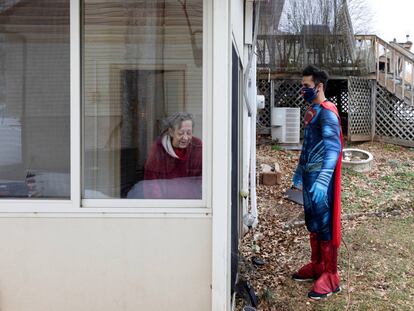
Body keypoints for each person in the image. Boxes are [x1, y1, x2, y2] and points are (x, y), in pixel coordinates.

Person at [292, 65, 343, 300]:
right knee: (312, 222)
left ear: (319, 86)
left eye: (307, 86)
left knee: (324, 224)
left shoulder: (327, 111)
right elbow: (309, 146)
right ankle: (317, 265)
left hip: (322, 179)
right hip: (310, 177)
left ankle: (330, 276)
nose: (303, 90)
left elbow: (334, 150)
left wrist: (323, 180)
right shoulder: (313, 110)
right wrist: (299, 173)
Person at [143, 112, 202, 199]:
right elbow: (151, 183)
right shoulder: (158, 148)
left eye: (189, 133)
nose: (185, 138)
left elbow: (203, 178)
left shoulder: (197, 146)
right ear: (171, 132)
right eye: (181, 133)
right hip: (167, 204)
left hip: (191, 203)